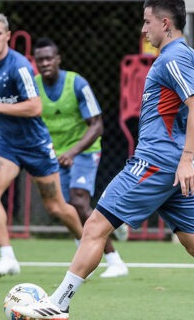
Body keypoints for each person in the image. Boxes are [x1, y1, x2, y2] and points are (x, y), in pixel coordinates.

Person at [12, 1, 194, 320]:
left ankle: (58, 303)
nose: (142, 29)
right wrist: (189, 160)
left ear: (166, 23)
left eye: (147, 21)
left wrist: (186, 157)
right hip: (175, 169)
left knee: (94, 225)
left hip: (154, 163)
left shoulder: (173, 58)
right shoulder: (192, 58)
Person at [0, 12, 84, 278]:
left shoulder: (19, 65)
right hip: (7, 145)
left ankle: (85, 242)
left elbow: (35, 107)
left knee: (55, 206)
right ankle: (7, 257)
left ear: (8, 36)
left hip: (35, 145)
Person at [32, 37, 128, 278]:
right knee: (61, 208)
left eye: (49, 58)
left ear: (58, 60)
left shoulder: (77, 83)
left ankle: (115, 261)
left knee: (79, 201)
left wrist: (73, 152)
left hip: (84, 150)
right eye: (40, 59)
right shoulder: (33, 87)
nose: (44, 63)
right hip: (55, 155)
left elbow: (97, 125)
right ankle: (102, 233)